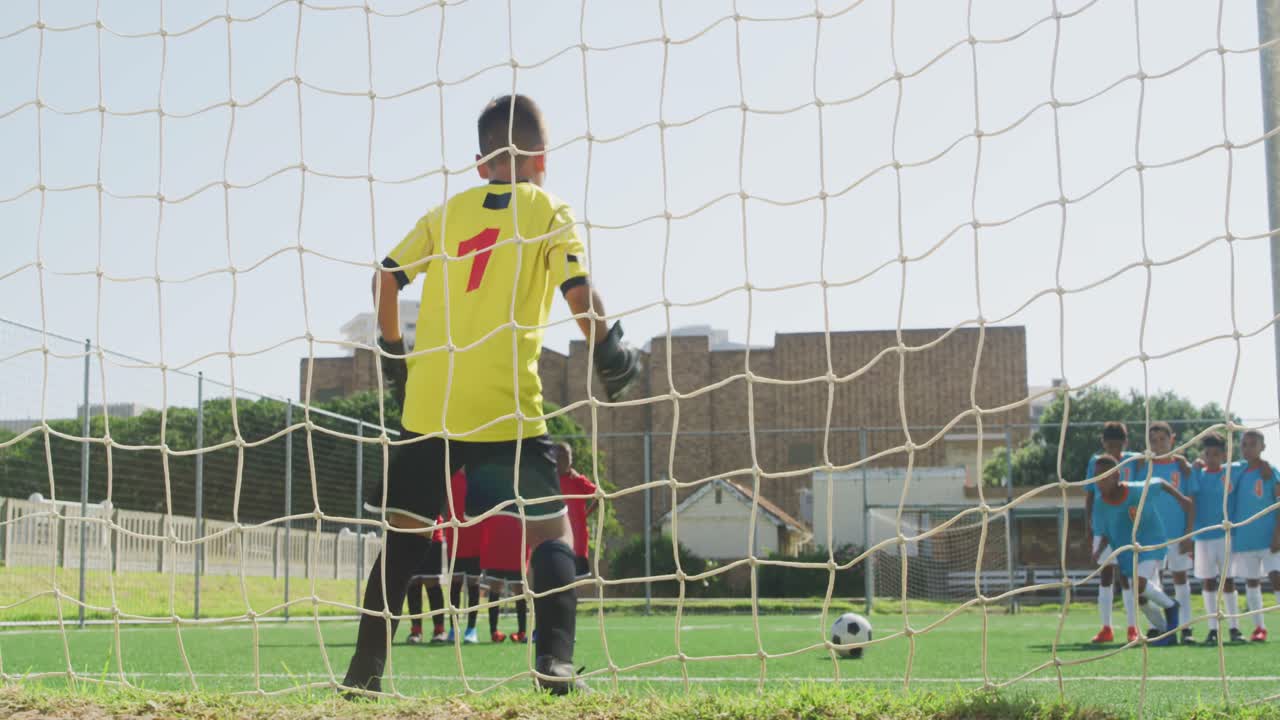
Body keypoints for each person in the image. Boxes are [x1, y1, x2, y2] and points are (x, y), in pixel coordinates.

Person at [342, 94, 641, 696]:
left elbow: (386, 279)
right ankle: (553, 664)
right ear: (543, 159)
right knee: (550, 533)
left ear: (482, 165)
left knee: (404, 541)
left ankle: (362, 677)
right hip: (507, 405)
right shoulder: (549, 210)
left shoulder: (448, 213)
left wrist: (396, 355)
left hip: (432, 402)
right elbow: (579, 296)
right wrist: (610, 350)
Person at [1091, 453, 1192, 644]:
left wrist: (1181, 499)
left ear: (1117, 476)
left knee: (1139, 584)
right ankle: (1165, 632)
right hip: (1127, 551)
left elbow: (1161, 482)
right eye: (1096, 477)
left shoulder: (1137, 490)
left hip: (1151, 543)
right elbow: (1103, 532)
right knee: (1138, 596)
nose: (1099, 481)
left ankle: (1171, 606)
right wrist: (1098, 552)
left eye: (1104, 476)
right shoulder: (1100, 504)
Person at [1134, 421, 1195, 642]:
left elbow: (1191, 502)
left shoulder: (1182, 468)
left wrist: (1189, 534)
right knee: (1149, 582)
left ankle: (1186, 627)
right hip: (1150, 536)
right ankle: (1157, 626)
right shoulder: (1142, 467)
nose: (1158, 444)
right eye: (1153, 440)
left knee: (1180, 578)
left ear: (1172, 440)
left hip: (1177, 533)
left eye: (1162, 439)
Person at [1082, 421, 1140, 643]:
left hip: (1125, 525)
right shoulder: (1096, 463)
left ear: (1125, 443)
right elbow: (1089, 493)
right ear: (1103, 443)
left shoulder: (1134, 460)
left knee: (1127, 577)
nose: (1114, 450)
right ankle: (1106, 628)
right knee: (1105, 576)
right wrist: (1088, 524)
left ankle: (1132, 628)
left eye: (1118, 445)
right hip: (1102, 523)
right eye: (1110, 445)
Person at [1186, 431, 1241, 644]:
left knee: (1228, 581)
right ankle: (1212, 629)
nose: (1212, 458)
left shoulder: (1233, 472)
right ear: (1204, 454)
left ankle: (1234, 628)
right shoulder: (1197, 474)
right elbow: (1191, 501)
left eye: (1217, 454)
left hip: (1225, 535)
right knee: (1208, 582)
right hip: (1203, 536)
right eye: (1208, 453)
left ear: (1224, 454)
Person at [1227, 429, 1279, 643]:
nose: (1247, 448)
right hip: (1245, 538)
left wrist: (1278, 534)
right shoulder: (1237, 472)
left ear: (1263, 447)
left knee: (1276, 578)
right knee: (1251, 582)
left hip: (1269, 538)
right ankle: (1259, 627)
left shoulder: (1271, 471)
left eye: (1252, 444)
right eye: (1244, 445)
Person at [443, 470, 483, 644]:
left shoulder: (480, 477)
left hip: (476, 539)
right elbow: (444, 505)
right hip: (455, 538)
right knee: (455, 583)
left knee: (474, 583)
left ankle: (472, 629)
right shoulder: (450, 477)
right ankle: (453, 628)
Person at [479, 513, 530, 644]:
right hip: (496, 543)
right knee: (495, 588)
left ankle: (522, 632)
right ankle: (493, 632)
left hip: (516, 545)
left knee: (519, 591)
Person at [555, 443, 598, 579]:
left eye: (567, 456)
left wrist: (585, 515)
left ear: (571, 459)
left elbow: (598, 496)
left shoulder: (577, 480)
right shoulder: (551, 481)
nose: (564, 460)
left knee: (577, 576)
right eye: (560, 456)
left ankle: (571, 599)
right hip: (558, 536)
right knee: (559, 574)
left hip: (577, 538)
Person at [404, 516, 447, 644]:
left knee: (432, 583)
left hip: (432, 534)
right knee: (413, 583)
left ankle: (439, 629)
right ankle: (416, 630)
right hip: (409, 535)